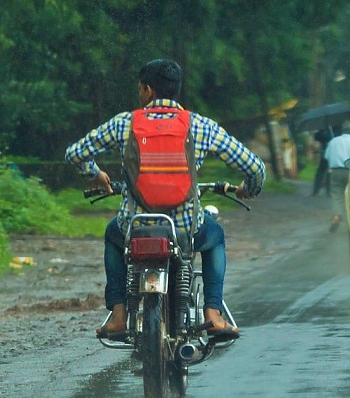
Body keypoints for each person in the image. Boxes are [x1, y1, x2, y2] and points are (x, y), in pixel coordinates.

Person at [65, 58, 266, 341]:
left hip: (135, 227)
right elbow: (255, 167)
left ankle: (120, 314)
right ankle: (212, 314)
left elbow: (75, 154)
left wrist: (95, 174)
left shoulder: (125, 123)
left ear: (147, 90)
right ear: (176, 90)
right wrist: (249, 188)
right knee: (216, 236)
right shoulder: (201, 126)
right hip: (185, 227)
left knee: (112, 235)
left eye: (140, 89)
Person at [323, 120, 350, 232]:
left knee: (336, 194)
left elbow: (327, 156)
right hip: (349, 172)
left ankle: (337, 215)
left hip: (335, 171)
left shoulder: (333, 141)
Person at [311, 127, 334, 196]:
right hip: (325, 152)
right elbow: (317, 137)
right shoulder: (325, 128)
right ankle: (317, 190)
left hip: (333, 153)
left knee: (328, 173)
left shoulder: (335, 128)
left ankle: (328, 191)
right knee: (322, 172)